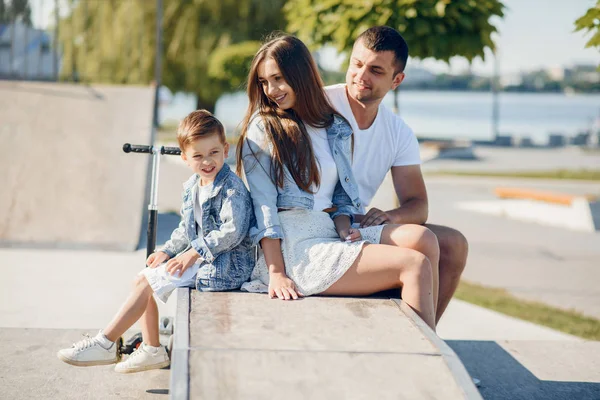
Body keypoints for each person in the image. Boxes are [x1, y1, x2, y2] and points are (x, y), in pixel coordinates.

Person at [237, 34, 438, 330]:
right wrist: (276, 271)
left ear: (301, 74)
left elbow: (341, 197)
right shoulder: (264, 128)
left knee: (424, 240)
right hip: (296, 247)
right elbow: (262, 206)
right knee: (414, 265)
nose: (271, 90)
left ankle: (424, 341)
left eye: (278, 78)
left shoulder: (334, 126)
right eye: (264, 82)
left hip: (331, 231)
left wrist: (345, 228)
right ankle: (428, 361)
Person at [57, 110, 255, 373]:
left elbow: (234, 230)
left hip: (224, 266)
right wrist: (169, 250)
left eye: (214, 153)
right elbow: (186, 229)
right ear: (184, 158)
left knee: (147, 282)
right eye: (198, 155)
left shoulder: (232, 188)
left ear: (225, 149)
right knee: (144, 276)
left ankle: (105, 342)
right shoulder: (193, 186)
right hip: (204, 258)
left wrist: (192, 253)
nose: (207, 161)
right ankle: (151, 349)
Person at [324, 26, 469, 324]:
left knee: (453, 243)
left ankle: (428, 335)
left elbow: (418, 204)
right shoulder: (320, 106)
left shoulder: (398, 132)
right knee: (420, 241)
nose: (361, 76)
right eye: (357, 64)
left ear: (397, 80)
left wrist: (391, 217)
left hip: (355, 224)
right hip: (317, 222)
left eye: (376, 70)